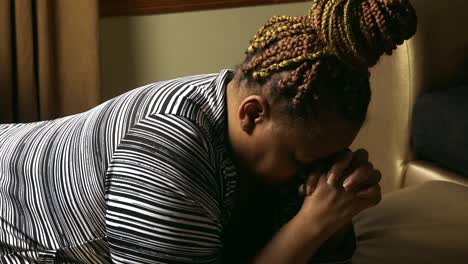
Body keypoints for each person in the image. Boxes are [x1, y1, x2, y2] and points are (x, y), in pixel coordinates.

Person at [0, 0, 417, 263]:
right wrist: (310, 225)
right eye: (300, 161)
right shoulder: (166, 158)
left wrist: (337, 214)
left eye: (329, 156)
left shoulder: (252, 113)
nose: (308, 174)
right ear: (252, 115)